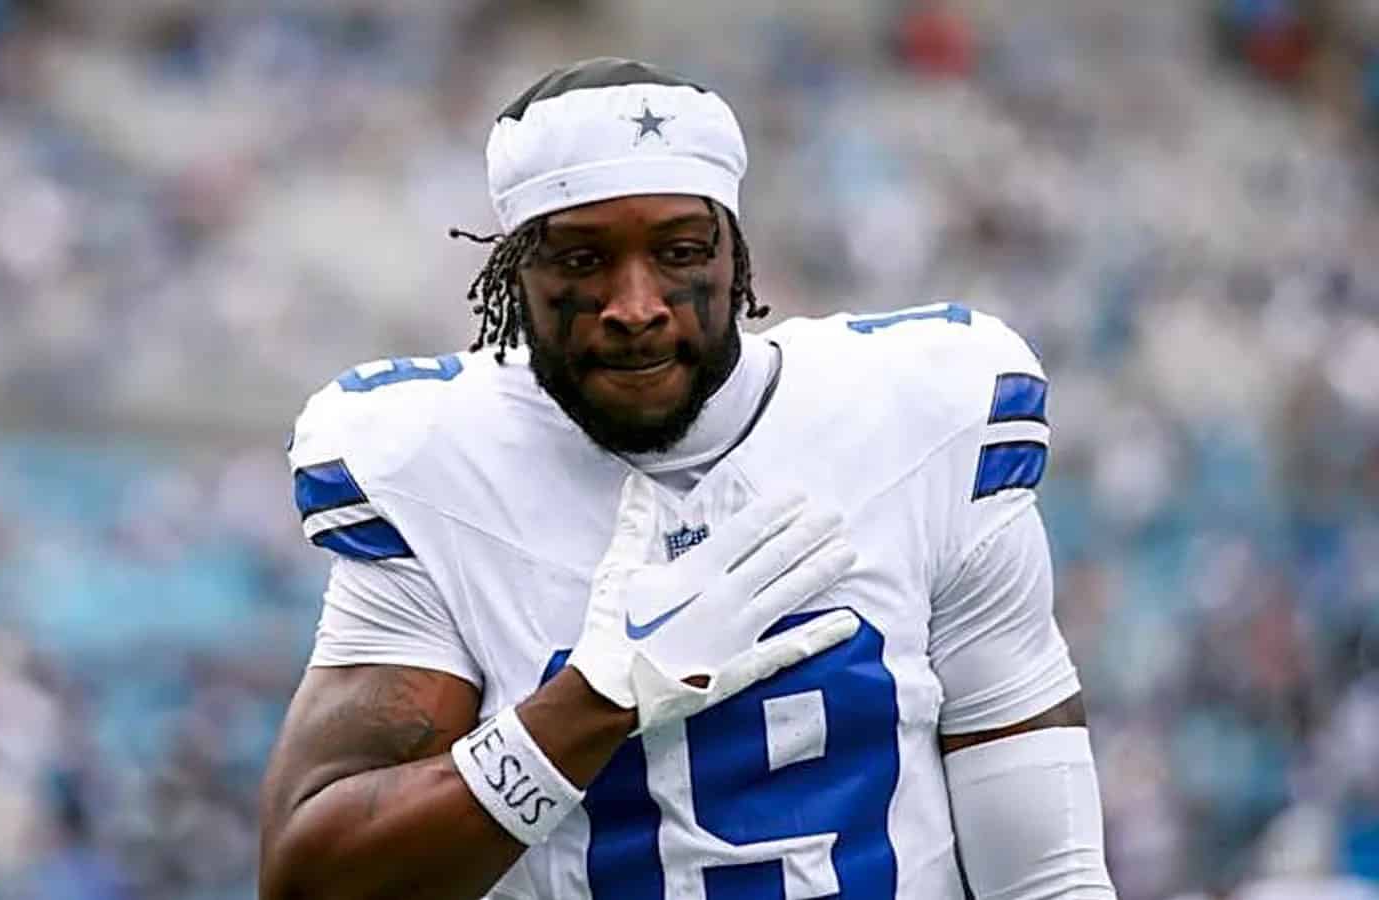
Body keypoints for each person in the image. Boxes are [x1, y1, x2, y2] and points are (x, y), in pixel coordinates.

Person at [258, 57, 1117, 900]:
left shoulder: (928, 415)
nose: (635, 305)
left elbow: (1047, 869)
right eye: (582, 260)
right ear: (512, 277)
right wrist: (592, 704)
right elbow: (308, 879)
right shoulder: (433, 462)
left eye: (677, 250)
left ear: (733, 257)